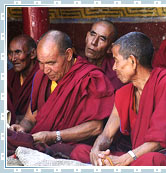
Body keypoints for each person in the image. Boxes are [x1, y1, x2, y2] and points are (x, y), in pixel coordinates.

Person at [73, 32, 166, 166]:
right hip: (138, 155)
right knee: (81, 151)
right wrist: (96, 151)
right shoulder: (124, 93)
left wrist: (127, 158)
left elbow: (160, 140)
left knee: (150, 160)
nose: (114, 67)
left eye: (116, 60)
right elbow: (107, 135)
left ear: (132, 61)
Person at [8, 30, 115, 159]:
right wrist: (22, 128)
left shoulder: (90, 78)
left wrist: (54, 136)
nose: (45, 70)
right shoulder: (41, 76)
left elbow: (95, 127)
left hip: (72, 147)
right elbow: (30, 118)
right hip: (42, 143)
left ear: (68, 55)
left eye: (51, 63)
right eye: (40, 62)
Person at [7, 35, 39, 124]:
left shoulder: (43, 76)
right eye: (10, 53)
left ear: (32, 54)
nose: (13, 58)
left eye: (18, 52)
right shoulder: (9, 76)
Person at [84, 20, 124, 91]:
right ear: (87, 36)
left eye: (102, 39)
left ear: (110, 48)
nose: (94, 42)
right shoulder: (75, 65)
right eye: (92, 34)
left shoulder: (116, 73)